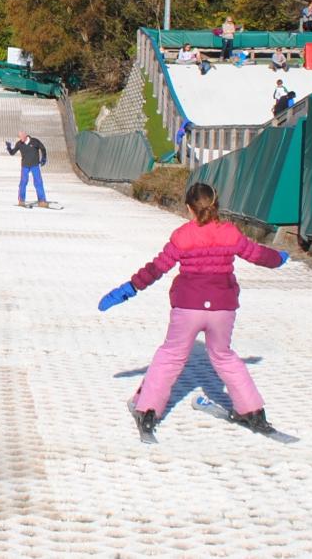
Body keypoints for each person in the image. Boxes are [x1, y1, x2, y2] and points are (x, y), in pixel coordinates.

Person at [98, 182, 289, 444]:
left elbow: (157, 268)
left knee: (171, 356)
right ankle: (252, 410)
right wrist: (278, 258)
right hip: (222, 308)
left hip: (188, 307)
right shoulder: (230, 233)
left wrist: (129, 288)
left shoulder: (182, 236)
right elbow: (257, 255)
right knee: (224, 356)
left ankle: (148, 410)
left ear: (189, 208)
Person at [6, 131, 49, 208]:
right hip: (25, 166)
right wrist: (9, 147)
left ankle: (42, 201)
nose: (21, 139)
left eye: (22, 137)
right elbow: (12, 153)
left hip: (35, 165)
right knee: (23, 182)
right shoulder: (19, 144)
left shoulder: (35, 141)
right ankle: (21, 200)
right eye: (19, 137)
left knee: (38, 182)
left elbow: (43, 148)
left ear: (25, 136)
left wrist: (44, 158)